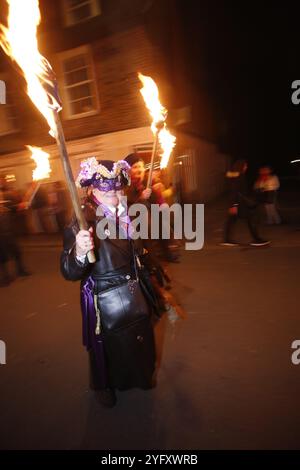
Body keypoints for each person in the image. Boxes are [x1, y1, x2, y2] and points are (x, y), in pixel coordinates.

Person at [60, 158, 164, 408]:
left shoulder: (127, 211)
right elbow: (68, 270)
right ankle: (103, 385)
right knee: (107, 348)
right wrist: (80, 253)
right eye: (107, 190)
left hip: (135, 288)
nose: (115, 195)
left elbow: (136, 247)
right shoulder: (82, 221)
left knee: (140, 338)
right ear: (92, 190)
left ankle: (139, 377)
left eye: (118, 189)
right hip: (106, 296)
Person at [125, 153, 180, 262]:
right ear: (128, 169)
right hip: (140, 247)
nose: (139, 170)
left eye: (140, 166)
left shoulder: (149, 185)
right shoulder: (124, 189)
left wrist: (171, 245)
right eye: (135, 167)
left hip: (156, 247)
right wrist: (141, 199)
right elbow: (127, 212)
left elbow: (161, 217)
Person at [222, 160, 270, 247]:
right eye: (245, 166)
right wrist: (234, 205)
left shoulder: (232, 176)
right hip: (240, 204)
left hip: (237, 203)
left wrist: (232, 204)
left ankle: (227, 240)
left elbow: (232, 191)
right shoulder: (240, 176)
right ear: (241, 166)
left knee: (231, 221)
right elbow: (234, 191)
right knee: (251, 219)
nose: (246, 167)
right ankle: (256, 240)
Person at [0, 176, 31, 286]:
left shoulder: (5, 201)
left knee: (17, 252)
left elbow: (14, 208)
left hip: (9, 233)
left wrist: (20, 206)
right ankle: (5, 277)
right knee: (2, 257)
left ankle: (21, 271)